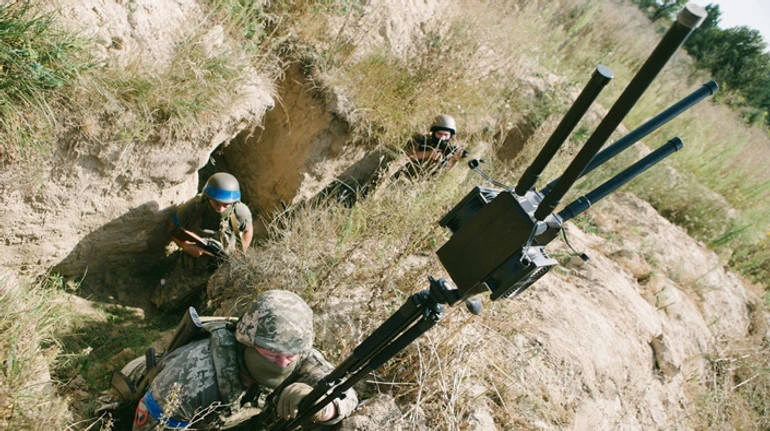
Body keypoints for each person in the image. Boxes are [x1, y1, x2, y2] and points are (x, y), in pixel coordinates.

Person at [124, 290, 358, 430]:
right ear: (246, 342)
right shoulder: (190, 378)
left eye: (290, 355)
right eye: (272, 354)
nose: (283, 363)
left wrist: (323, 406)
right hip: (135, 387)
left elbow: (346, 390)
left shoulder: (298, 353)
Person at [151, 172, 254, 311]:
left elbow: (248, 229)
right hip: (193, 263)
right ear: (207, 198)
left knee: (220, 306)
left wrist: (241, 252)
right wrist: (186, 246)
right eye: (216, 204)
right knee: (164, 304)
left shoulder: (240, 211)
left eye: (226, 205)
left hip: (224, 264)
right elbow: (172, 227)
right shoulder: (193, 207)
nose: (220, 209)